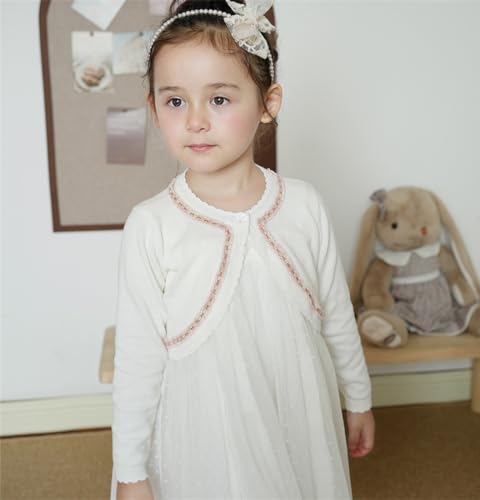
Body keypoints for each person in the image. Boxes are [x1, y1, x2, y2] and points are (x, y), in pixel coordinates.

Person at [111, 0, 375, 498]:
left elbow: (337, 314)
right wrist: (130, 471)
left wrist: (358, 398)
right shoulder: (152, 224)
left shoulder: (303, 205)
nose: (194, 121)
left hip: (295, 409)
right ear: (153, 109)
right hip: (205, 427)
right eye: (175, 101)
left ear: (268, 103)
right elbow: (137, 359)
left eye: (218, 99)